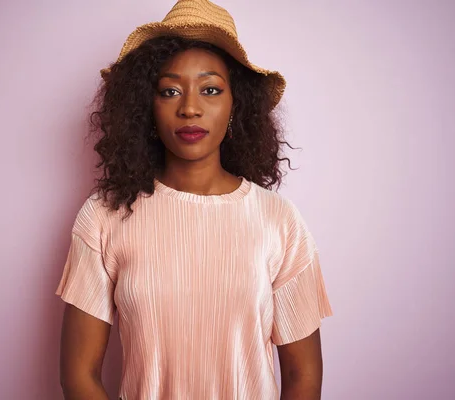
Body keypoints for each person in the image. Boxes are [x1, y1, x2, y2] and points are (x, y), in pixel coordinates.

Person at [56, 0, 333, 398]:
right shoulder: (105, 216)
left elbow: (304, 378)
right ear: (145, 108)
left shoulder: (279, 221)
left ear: (235, 104)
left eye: (210, 90)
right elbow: (78, 375)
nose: (189, 108)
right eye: (170, 91)